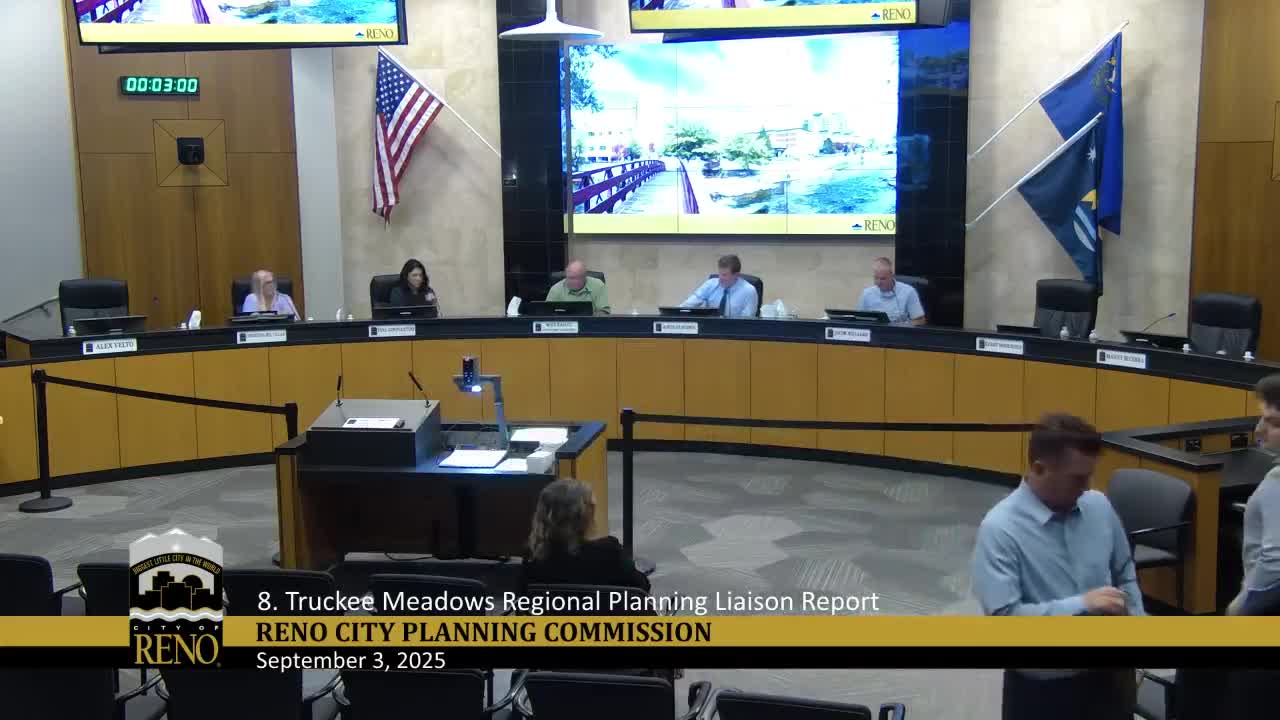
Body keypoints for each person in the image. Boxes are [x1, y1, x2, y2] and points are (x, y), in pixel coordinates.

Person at [972, 413, 1142, 720]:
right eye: (1077, 478)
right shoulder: (1000, 529)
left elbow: (1124, 570)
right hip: (1044, 691)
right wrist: (1082, 604)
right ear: (1039, 469)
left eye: (1089, 476)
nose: (1086, 487)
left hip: (1110, 680)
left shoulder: (1098, 505)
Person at [521, 478, 649, 592]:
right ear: (585, 517)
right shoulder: (609, 551)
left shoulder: (534, 555)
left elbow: (523, 597)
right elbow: (642, 586)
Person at [680, 254, 758, 318]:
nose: (720, 278)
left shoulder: (749, 291)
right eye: (719, 273)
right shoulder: (710, 284)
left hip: (735, 330)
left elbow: (747, 320)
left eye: (724, 275)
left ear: (736, 275)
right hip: (710, 328)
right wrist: (677, 314)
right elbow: (687, 305)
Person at [855, 257, 925, 325]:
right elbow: (858, 319)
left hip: (898, 331)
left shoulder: (909, 291)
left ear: (892, 276)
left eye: (883, 279)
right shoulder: (867, 293)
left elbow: (920, 321)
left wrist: (902, 325)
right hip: (875, 330)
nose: (878, 283)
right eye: (876, 278)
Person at [545, 260, 610, 315]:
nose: (575, 281)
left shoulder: (598, 285)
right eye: (571, 278)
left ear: (585, 276)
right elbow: (547, 314)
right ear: (566, 275)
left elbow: (604, 312)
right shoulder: (555, 289)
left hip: (590, 323)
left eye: (579, 277)